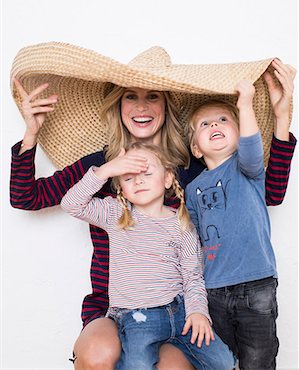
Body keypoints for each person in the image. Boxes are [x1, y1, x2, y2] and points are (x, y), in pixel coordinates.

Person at [10, 56, 296, 370]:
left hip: (180, 308)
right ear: (118, 105)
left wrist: (282, 120)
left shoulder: (192, 170)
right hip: (115, 304)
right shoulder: (103, 165)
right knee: (98, 355)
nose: (141, 106)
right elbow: (26, 197)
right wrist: (32, 135)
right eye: (130, 96)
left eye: (152, 96)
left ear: (166, 105)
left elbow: (267, 195)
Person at [60, 142, 235, 369]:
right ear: (120, 188)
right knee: (139, 366)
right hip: (136, 317)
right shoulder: (116, 214)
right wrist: (106, 170)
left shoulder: (182, 225)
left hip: (180, 311)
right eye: (128, 177)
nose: (138, 181)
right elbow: (71, 204)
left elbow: (192, 277)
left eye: (147, 173)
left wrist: (198, 312)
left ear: (168, 179)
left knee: (224, 362)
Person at [185, 77, 296, 370]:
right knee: (221, 362)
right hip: (215, 289)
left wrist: (244, 105)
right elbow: (196, 238)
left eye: (223, 120)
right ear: (196, 149)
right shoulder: (192, 188)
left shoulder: (247, 169)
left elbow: (250, 143)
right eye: (204, 125)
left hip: (257, 283)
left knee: (259, 360)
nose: (214, 126)